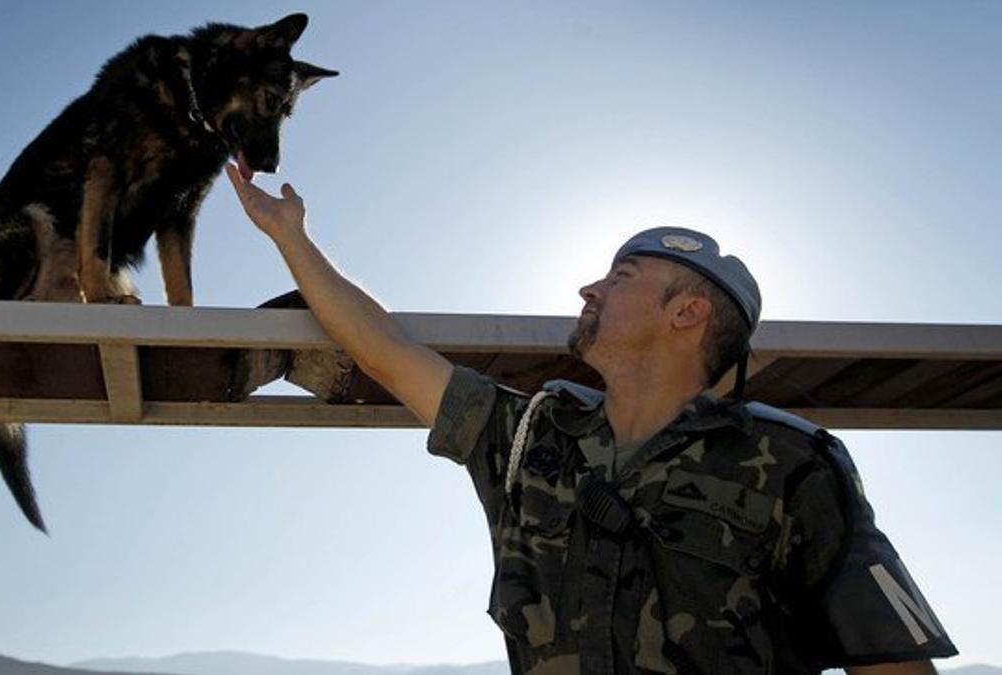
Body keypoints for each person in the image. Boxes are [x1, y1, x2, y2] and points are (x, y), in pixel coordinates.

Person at [223, 164, 958, 675]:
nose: (590, 287)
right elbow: (386, 352)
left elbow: (891, 658)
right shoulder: (529, 439)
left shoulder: (793, 465)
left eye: (621, 276)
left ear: (687, 312)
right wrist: (290, 236)